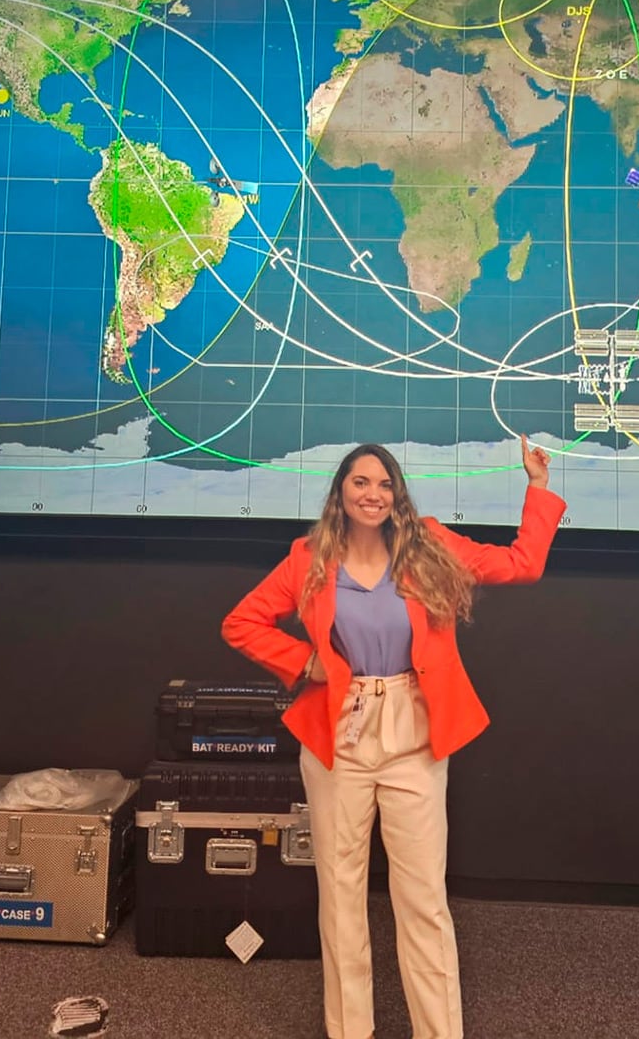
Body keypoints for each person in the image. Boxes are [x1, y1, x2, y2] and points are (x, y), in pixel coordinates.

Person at [221, 437, 565, 1039]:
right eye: (360, 483)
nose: (373, 494)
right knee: (342, 895)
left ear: (396, 494)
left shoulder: (427, 542)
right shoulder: (308, 558)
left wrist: (536, 486)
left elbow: (522, 563)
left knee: (424, 900)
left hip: (414, 731)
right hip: (340, 732)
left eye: (384, 484)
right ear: (341, 493)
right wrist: (306, 663)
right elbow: (241, 622)